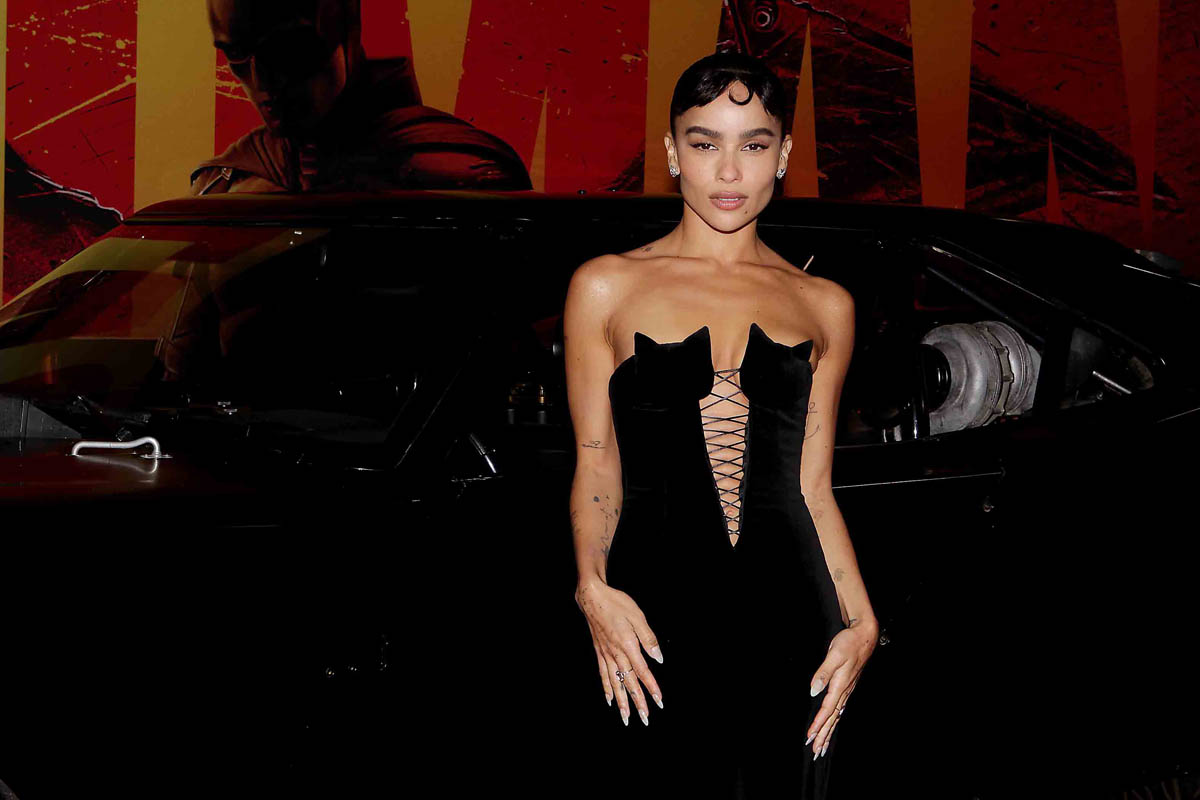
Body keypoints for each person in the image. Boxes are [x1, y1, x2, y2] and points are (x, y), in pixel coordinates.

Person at [564, 52, 878, 797]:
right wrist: (591, 586)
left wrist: (863, 622)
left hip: (792, 613)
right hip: (651, 614)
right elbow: (596, 461)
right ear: (672, 152)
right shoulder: (606, 285)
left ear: (784, 155)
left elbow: (815, 489)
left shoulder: (825, 304)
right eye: (705, 144)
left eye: (754, 144)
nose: (729, 171)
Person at [190, 0, 531, 194]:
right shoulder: (229, 180)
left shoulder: (460, 173)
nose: (262, 81)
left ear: (344, 32)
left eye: (288, 49)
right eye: (236, 54)